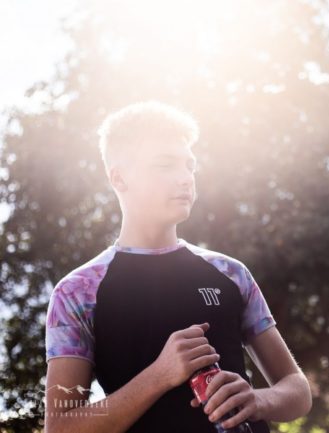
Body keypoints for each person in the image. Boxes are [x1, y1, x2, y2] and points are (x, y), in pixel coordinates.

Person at [44, 102, 312, 433]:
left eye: (190, 166)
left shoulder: (230, 273)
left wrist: (259, 400)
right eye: (165, 165)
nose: (185, 178)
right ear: (119, 178)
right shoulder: (77, 292)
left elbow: (298, 390)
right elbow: (60, 428)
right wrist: (160, 375)